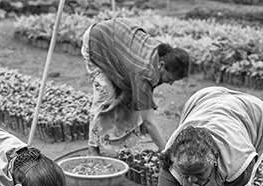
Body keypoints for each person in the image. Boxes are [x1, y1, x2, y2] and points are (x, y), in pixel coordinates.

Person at [81, 18, 190, 156]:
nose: (170, 83)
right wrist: (167, 152)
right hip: (96, 41)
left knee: (129, 97)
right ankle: (93, 148)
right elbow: (149, 122)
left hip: (117, 44)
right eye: (170, 79)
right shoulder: (144, 72)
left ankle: (120, 143)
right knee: (106, 95)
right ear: (162, 66)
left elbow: (143, 97)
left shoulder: (162, 54)